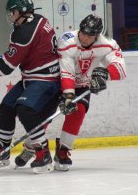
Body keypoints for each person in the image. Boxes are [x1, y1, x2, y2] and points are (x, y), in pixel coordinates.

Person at [15, 14, 126, 172]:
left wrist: (105, 74)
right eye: (82, 33)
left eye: (89, 35)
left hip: (82, 85)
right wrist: (68, 96)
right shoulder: (67, 41)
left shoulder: (107, 44)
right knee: (45, 116)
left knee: (78, 112)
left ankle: (63, 150)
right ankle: (31, 146)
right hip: (57, 82)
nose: (84, 37)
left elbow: (121, 68)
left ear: (97, 36)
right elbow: (66, 73)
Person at [0, 0, 61, 173]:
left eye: (13, 12)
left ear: (22, 12)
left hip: (47, 80)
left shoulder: (25, 32)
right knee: (6, 106)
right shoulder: (38, 20)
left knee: (25, 109)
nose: (11, 16)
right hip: (32, 77)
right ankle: (3, 151)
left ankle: (43, 153)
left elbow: (7, 65)